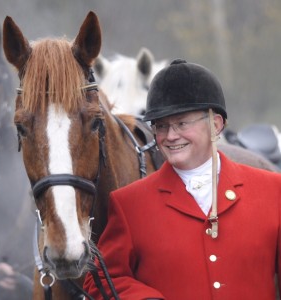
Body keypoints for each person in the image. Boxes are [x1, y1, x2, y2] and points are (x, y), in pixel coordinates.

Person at [84, 59, 281, 299]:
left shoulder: (272, 189)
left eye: (181, 123)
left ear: (216, 124)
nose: (170, 136)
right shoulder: (129, 203)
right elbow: (103, 278)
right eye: (161, 126)